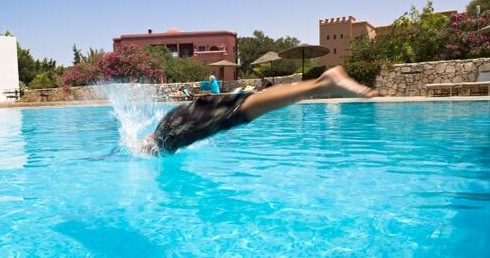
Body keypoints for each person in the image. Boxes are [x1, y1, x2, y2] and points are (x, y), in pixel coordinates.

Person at [141, 66, 377, 155]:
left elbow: (145, 149)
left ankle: (324, 83)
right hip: (177, 118)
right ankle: (322, 84)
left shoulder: (167, 141)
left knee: (243, 109)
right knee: (242, 106)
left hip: (176, 131)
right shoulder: (162, 133)